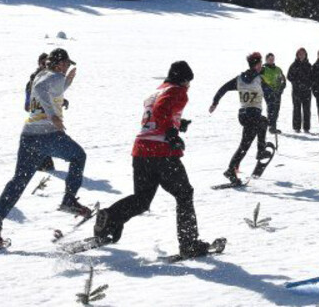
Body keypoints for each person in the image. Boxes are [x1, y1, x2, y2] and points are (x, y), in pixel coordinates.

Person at [93, 61, 223, 257]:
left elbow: (157, 114)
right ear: (184, 80)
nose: (189, 86)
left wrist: (177, 123)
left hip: (141, 151)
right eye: (188, 82)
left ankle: (110, 217)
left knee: (142, 199)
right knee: (184, 194)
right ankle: (189, 244)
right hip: (162, 153)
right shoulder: (178, 91)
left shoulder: (156, 91)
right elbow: (162, 111)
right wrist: (171, 133)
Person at [0, 48, 91, 249]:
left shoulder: (43, 74)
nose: (67, 67)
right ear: (58, 64)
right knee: (79, 156)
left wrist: (68, 81)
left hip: (29, 137)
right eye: (66, 64)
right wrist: (53, 116)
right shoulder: (54, 77)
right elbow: (43, 90)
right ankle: (69, 200)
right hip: (47, 134)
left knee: (18, 182)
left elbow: (44, 87)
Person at [210, 52, 276, 184]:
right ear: (257, 65)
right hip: (253, 114)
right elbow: (271, 97)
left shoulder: (239, 79)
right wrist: (272, 113)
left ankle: (231, 170)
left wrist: (215, 102)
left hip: (243, 115)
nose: (261, 65)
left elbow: (223, 88)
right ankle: (260, 151)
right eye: (260, 63)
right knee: (263, 122)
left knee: (244, 146)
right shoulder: (259, 79)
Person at [26, 53, 57, 172]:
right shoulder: (36, 76)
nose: (45, 65)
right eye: (43, 62)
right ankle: (44, 163)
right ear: (39, 63)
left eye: (47, 62)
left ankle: (46, 163)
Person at [287, 48, 314, 133]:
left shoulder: (309, 65)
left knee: (307, 110)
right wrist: (297, 83)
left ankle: (306, 127)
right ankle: (296, 127)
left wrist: (308, 84)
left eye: (303, 54)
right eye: (300, 54)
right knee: (296, 109)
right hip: (296, 91)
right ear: (297, 55)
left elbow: (313, 78)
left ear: (306, 55)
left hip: (307, 91)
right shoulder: (294, 65)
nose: (301, 55)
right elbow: (289, 76)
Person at [260, 53, 287, 134]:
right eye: (270, 59)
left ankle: (273, 126)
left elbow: (283, 80)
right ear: (266, 59)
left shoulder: (278, 69)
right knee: (271, 108)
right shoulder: (263, 69)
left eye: (272, 58)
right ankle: (271, 127)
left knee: (276, 109)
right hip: (268, 93)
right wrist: (267, 89)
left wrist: (281, 89)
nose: (271, 60)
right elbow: (260, 80)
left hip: (277, 92)